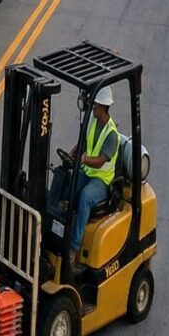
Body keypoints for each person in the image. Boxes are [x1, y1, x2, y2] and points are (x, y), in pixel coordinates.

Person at [69, 85, 119, 266]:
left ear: (104, 108)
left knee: (86, 196)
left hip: (102, 181)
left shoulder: (111, 134)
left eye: (95, 106)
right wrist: (75, 150)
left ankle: (73, 247)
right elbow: (85, 141)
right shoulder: (92, 120)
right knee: (68, 182)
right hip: (88, 172)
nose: (93, 108)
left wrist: (82, 159)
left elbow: (99, 162)